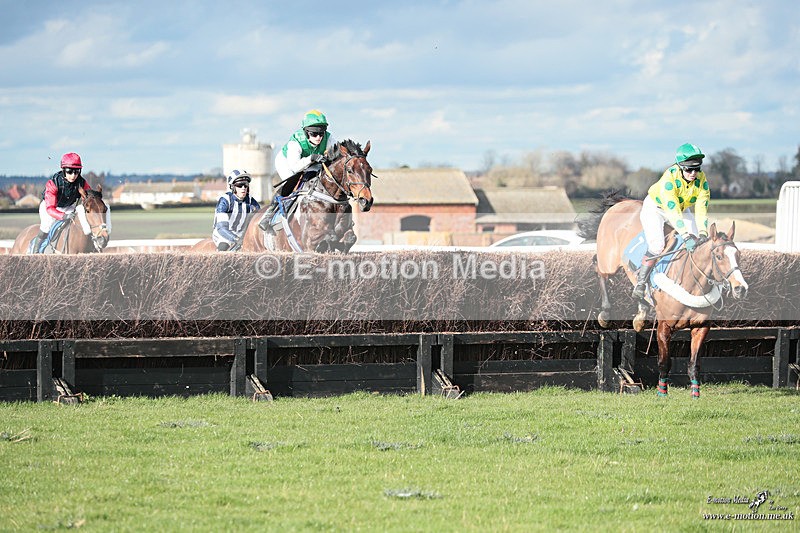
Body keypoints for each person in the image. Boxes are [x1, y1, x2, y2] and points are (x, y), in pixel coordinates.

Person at [632, 142, 711, 299]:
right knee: (657, 245)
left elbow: (702, 209)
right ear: (680, 166)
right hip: (657, 208)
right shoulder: (669, 179)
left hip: (681, 209)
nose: (693, 173)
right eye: (689, 169)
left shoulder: (702, 180)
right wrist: (685, 236)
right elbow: (673, 212)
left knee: (697, 243)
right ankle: (640, 283)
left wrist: (702, 232)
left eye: (697, 168)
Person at [258, 109, 338, 232]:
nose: (318, 138)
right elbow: (295, 167)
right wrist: (311, 158)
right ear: (306, 133)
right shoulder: (295, 142)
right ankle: (268, 214)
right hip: (287, 163)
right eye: (314, 134)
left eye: (321, 134)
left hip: (312, 163)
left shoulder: (329, 138)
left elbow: (337, 156)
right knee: (292, 182)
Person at [29, 152, 93, 254]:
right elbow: (50, 208)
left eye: (76, 171)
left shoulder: (81, 182)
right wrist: (63, 216)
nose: (73, 175)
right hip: (50, 208)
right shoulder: (53, 183)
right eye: (69, 171)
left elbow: (90, 197)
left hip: (68, 206)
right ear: (63, 170)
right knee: (47, 226)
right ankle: (35, 250)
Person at [212, 169, 261, 251]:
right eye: (240, 185)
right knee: (224, 245)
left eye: (245, 185)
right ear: (233, 187)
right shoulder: (225, 201)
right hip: (223, 234)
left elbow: (259, 219)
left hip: (242, 235)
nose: (243, 188)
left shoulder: (251, 201)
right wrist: (237, 239)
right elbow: (221, 228)